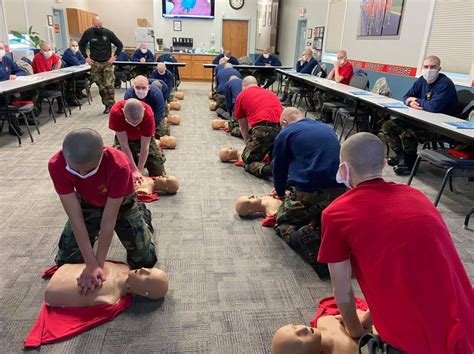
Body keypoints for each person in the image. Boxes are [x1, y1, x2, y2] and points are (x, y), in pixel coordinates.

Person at [318, 132, 474, 353]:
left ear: (343, 169)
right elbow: (404, 275)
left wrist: (356, 332)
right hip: (467, 328)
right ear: (383, 164)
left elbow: (342, 291)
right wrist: (369, 318)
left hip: (418, 346)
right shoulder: (418, 196)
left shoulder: (336, 214)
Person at [48, 129, 157, 294]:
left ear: (102, 154)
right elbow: (75, 218)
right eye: (76, 171)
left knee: (144, 260)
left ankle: (142, 214)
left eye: (89, 170)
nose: (82, 175)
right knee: (66, 262)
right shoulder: (56, 165)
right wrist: (90, 264)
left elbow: (108, 221)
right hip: (87, 202)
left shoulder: (119, 165)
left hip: (121, 204)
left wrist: (98, 264)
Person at [271, 107, 344, 277]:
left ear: (284, 123)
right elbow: (308, 161)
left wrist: (281, 192)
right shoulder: (326, 127)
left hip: (310, 190)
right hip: (340, 192)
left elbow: (279, 168)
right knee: (319, 219)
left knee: (282, 222)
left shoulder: (286, 133)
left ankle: (301, 236)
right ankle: (320, 231)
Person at [382, 55, 459, 175]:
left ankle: (409, 164)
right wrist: (410, 101)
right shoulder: (422, 80)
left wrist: (416, 100)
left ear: (439, 68)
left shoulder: (445, 84)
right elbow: (406, 96)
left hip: (439, 128)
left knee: (408, 133)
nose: (429, 70)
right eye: (426, 67)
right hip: (423, 120)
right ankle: (402, 158)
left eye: (433, 67)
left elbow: (433, 107)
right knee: (388, 125)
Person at [45, 262, 168, 307]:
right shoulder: (123, 266)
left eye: (146, 276)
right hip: (64, 268)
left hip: (53, 289)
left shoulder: (110, 297)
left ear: (143, 292)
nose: (143, 269)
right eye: (149, 269)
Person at [234, 76, 282, 179]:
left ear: (243, 86)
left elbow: (243, 127)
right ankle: (276, 163)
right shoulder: (270, 93)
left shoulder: (241, 95)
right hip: (282, 130)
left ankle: (268, 170)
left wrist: (248, 144)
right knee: (272, 156)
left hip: (263, 130)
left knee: (247, 159)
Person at [109, 98, 166, 180]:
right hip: (125, 138)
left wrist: (139, 170)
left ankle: (145, 158)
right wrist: (133, 169)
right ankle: (135, 159)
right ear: (123, 111)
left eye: (138, 122)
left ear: (143, 111)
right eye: (131, 122)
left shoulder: (148, 114)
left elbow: (145, 147)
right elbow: (124, 145)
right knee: (118, 170)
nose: (134, 126)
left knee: (158, 172)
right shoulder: (116, 112)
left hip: (142, 138)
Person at [79, 16, 123, 114]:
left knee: (109, 85)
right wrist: (86, 57)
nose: (98, 28)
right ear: (92, 24)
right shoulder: (88, 33)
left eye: (100, 26)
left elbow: (119, 45)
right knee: (101, 87)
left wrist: (114, 57)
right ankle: (107, 105)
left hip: (107, 62)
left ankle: (112, 105)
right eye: (96, 26)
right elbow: (81, 44)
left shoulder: (108, 33)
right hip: (95, 63)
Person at [124, 75, 170, 139]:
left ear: (148, 87)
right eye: (137, 88)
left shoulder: (157, 94)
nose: (140, 90)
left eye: (143, 88)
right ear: (133, 87)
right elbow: (127, 114)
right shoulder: (129, 95)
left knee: (162, 132)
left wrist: (150, 129)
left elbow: (159, 114)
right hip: (136, 115)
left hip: (153, 114)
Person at [0, 41, 30, 136]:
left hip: (10, 90)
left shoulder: (6, 59)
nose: (1, 50)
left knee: (32, 92)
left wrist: (15, 75)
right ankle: (14, 126)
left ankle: (22, 118)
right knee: (6, 100)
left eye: (1, 48)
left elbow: (22, 71)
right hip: (2, 93)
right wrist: (7, 78)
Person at [32, 41, 65, 114]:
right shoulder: (38, 57)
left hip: (48, 79)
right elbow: (43, 74)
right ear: (41, 51)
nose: (48, 52)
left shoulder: (52, 55)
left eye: (49, 50)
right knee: (58, 85)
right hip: (40, 82)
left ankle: (61, 106)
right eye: (45, 50)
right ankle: (38, 107)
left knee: (61, 84)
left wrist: (55, 71)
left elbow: (59, 61)